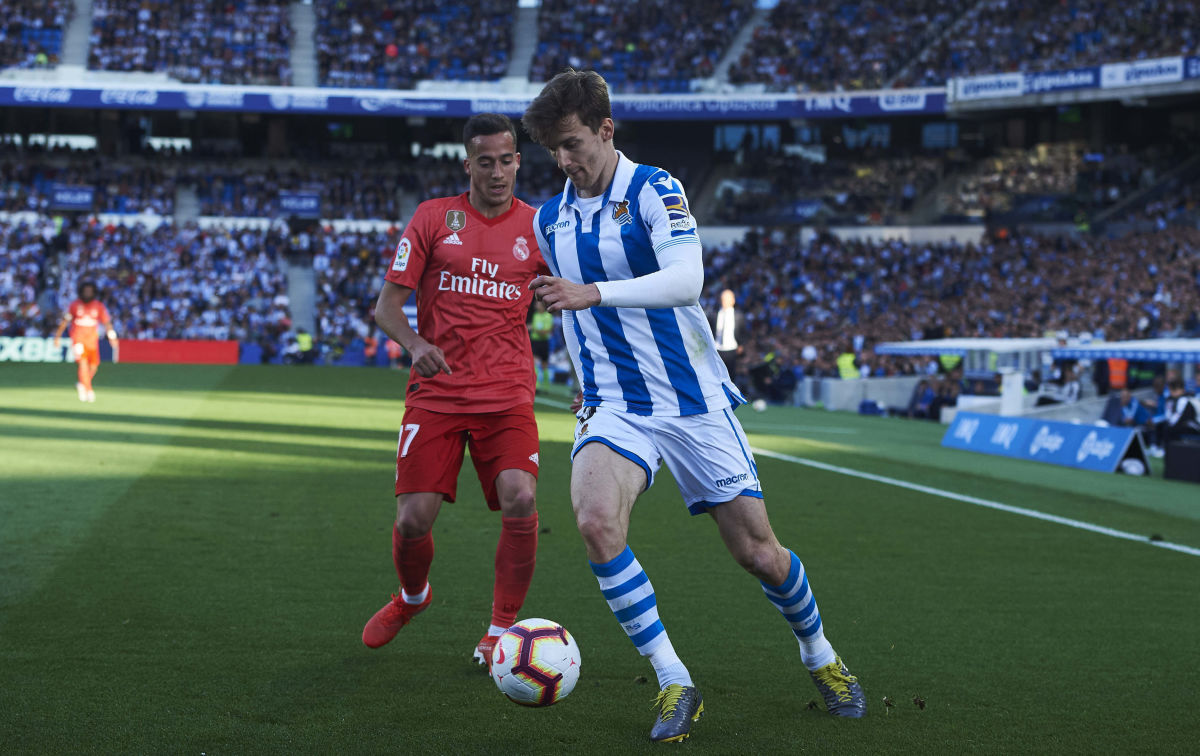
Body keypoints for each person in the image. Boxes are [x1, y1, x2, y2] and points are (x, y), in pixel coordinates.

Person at [523, 69, 865, 743]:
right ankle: (675, 678)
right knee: (594, 521)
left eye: (571, 144)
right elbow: (559, 307)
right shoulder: (549, 218)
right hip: (615, 404)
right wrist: (580, 371)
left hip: (691, 401)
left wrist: (594, 292)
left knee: (759, 554)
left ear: (605, 129)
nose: (564, 161)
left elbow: (688, 279)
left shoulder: (656, 189)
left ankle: (820, 655)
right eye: (552, 151)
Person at [362, 113, 548, 670]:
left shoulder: (541, 229)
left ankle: (501, 628)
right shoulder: (433, 218)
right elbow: (387, 307)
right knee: (412, 520)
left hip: (507, 392)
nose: (497, 171)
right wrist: (416, 345)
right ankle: (413, 597)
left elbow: (571, 302)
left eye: (507, 159)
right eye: (485, 161)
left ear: (519, 160)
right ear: (468, 164)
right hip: (436, 393)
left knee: (521, 495)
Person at [53, 280, 118, 403]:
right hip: (78, 339)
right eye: (85, 291)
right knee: (82, 363)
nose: (87, 293)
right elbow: (65, 322)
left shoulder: (98, 306)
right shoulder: (74, 305)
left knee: (94, 366)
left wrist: (112, 336)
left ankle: (82, 383)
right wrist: (57, 337)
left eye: (90, 291)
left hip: (92, 341)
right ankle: (88, 390)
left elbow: (106, 322)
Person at [711, 288, 745, 382]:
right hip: (717, 349)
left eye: (727, 299)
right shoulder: (714, 314)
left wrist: (741, 345)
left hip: (731, 349)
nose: (725, 301)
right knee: (717, 376)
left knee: (731, 376)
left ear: (733, 300)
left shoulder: (738, 316)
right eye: (723, 299)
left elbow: (743, 332)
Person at [529, 298, 554, 387]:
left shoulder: (548, 316)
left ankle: (546, 386)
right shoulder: (535, 315)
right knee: (534, 362)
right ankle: (536, 385)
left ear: (542, 306)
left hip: (544, 342)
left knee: (544, 365)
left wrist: (533, 329)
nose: (536, 305)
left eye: (538, 304)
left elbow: (546, 332)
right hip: (535, 342)